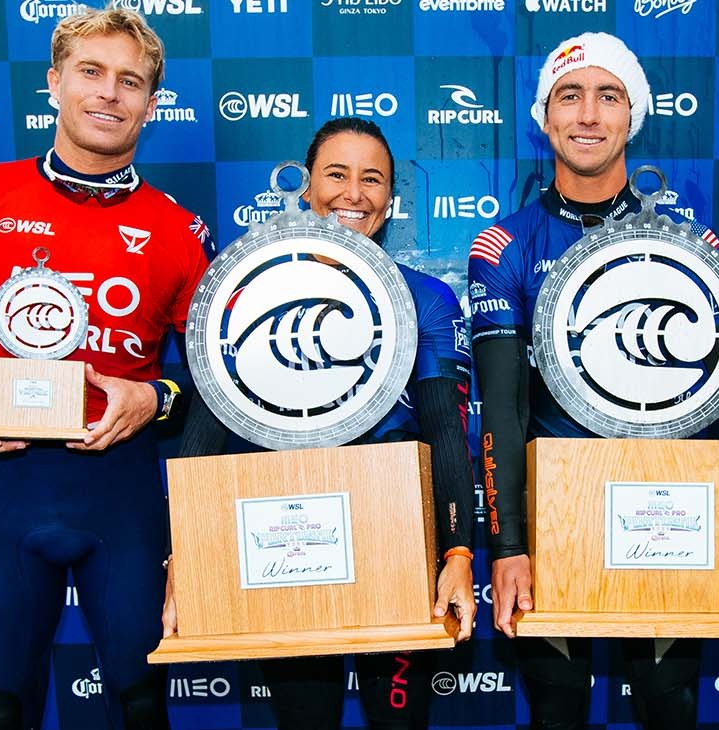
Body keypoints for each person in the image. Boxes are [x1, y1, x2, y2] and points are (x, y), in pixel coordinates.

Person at [0, 8, 211, 729]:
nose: (109, 92)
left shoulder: (180, 233)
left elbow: (215, 384)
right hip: (8, 499)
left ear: (152, 103)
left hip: (124, 503)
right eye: (91, 71)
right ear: (54, 82)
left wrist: (153, 396)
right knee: (1, 711)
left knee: (143, 709)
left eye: (130, 81)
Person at [466, 32, 719, 729]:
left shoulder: (691, 243)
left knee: (668, 706)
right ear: (544, 116)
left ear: (633, 116)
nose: (588, 114)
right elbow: (503, 408)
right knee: (556, 710)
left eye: (608, 96)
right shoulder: (504, 246)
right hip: (555, 519)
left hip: (668, 513)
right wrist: (510, 544)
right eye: (570, 96)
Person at [162, 117, 477, 730]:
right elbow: (205, 430)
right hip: (288, 542)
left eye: (372, 179)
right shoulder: (244, 294)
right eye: (336, 174)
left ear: (391, 199)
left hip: (397, 541)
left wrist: (458, 552)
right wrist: (183, 560)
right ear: (306, 187)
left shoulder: (425, 299)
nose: (353, 193)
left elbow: (444, 430)